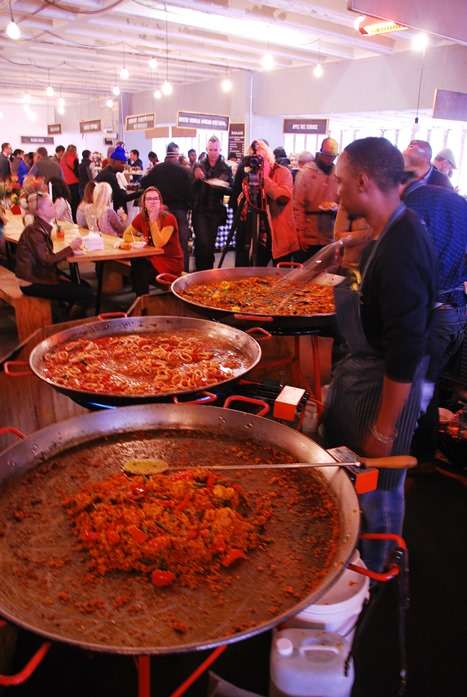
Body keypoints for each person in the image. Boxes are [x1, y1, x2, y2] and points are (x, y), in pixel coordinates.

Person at [323, 137, 437, 572]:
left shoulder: (403, 247)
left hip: (390, 387)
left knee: (381, 483)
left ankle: (376, 568)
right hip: (370, 375)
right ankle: (362, 553)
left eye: (340, 182)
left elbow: (405, 352)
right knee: (364, 476)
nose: (336, 192)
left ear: (363, 181)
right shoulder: (389, 228)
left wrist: (385, 428)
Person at [402, 178, 467, 462]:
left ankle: (423, 456)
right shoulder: (455, 210)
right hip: (454, 312)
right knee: (429, 383)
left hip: (437, 315)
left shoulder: (418, 211)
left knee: (419, 387)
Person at [15, 186, 93, 318]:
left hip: (36, 276)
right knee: (86, 294)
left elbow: (45, 257)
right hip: (32, 282)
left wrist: (70, 253)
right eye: (50, 205)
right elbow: (46, 260)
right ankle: (67, 324)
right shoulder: (35, 231)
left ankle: (65, 318)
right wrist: (71, 248)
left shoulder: (38, 227)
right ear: (40, 211)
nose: (54, 206)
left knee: (83, 285)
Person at [232, 139, 299, 266]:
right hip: (259, 238)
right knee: (257, 278)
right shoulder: (250, 178)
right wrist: (243, 200)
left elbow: (283, 197)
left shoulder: (282, 172)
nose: (258, 164)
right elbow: (245, 211)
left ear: (268, 157)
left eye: (260, 159)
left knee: (281, 280)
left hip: (280, 238)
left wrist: (265, 179)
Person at [140, 142, 192, 271]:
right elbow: (191, 193)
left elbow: (144, 183)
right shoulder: (184, 171)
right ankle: (182, 273)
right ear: (177, 155)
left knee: (161, 243)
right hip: (179, 212)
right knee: (180, 244)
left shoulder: (157, 169)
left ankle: (162, 272)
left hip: (160, 212)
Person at [124, 187, 183, 295]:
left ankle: (142, 300)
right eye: (149, 199)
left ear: (160, 201)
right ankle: (141, 298)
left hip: (169, 262)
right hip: (152, 258)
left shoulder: (169, 218)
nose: (153, 202)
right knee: (137, 261)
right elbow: (126, 235)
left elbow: (159, 244)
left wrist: (152, 221)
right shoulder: (141, 217)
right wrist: (141, 239)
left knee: (139, 266)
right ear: (144, 202)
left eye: (156, 199)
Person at [293, 137, 339, 261]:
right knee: (305, 274)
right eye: (327, 155)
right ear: (320, 152)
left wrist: (337, 207)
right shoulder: (305, 173)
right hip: (309, 233)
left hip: (329, 234)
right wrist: (300, 233)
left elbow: (343, 202)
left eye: (333, 156)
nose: (330, 159)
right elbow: (298, 206)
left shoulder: (338, 174)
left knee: (326, 275)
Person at [192, 136, 233, 270]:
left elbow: (230, 190)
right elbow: (190, 187)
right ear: (206, 149)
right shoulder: (199, 165)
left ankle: (206, 272)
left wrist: (223, 185)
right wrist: (195, 177)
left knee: (209, 244)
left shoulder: (225, 167)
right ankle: (201, 271)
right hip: (200, 210)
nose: (213, 152)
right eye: (211, 149)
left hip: (215, 210)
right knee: (202, 242)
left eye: (215, 150)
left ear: (220, 150)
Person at [95, 145, 140, 213]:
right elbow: (122, 198)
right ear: (114, 161)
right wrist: (141, 193)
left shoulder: (108, 172)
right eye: (122, 163)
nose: (125, 165)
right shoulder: (109, 176)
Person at [60, 145, 80, 221]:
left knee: (69, 203)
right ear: (74, 150)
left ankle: (69, 219)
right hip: (74, 183)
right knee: (75, 203)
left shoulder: (62, 159)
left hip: (65, 184)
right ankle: (75, 220)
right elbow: (77, 172)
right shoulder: (74, 158)